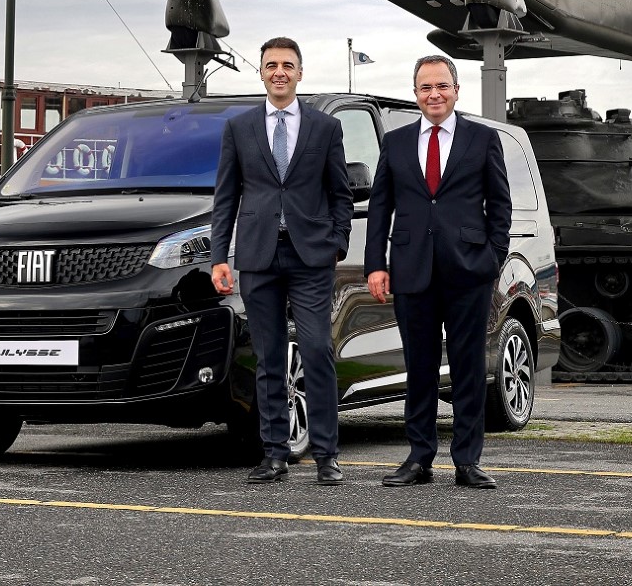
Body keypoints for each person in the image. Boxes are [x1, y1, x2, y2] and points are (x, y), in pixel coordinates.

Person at [210, 37, 353, 485]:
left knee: (317, 349)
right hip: (258, 256)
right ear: (261, 72)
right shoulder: (239, 128)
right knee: (269, 357)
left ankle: (327, 455)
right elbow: (225, 197)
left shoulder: (325, 128)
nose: (279, 72)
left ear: (299, 73)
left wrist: (337, 243)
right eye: (271, 65)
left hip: (311, 257)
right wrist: (219, 257)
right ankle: (274, 454)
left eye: (287, 65)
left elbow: (341, 194)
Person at [364, 54, 510, 489]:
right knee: (420, 368)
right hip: (411, 271)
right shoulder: (396, 142)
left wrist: (492, 259)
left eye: (442, 86)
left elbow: (500, 205)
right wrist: (376, 265)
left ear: (456, 90)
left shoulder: (482, 139)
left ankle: (467, 460)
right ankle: (419, 457)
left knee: (468, 368)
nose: (434, 94)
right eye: (426, 87)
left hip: (469, 271)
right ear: (415, 94)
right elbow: (380, 208)